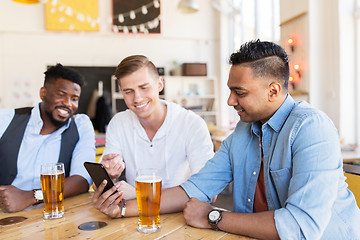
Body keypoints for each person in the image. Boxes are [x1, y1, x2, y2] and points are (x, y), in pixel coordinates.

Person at [92, 40, 360, 239]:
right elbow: (193, 189)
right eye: (230, 91)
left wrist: (214, 216)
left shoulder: (311, 128)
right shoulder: (243, 133)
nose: (230, 101)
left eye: (239, 92)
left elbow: (301, 227)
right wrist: (124, 209)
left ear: (273, 90)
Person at [96, 55, 214, 200]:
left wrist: (140, 195)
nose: (137, 98)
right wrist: (108, 175)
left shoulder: (192, 124)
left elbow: (210, 191)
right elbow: (99, 188)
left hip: (181, 214)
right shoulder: (118, 123)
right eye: (128, 92)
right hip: (138, 215)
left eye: (144, 88)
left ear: (159, 84)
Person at [0, 64, 96, 213]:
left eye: (74, 98)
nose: (68, 103)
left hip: (54, 214)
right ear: (43, 93)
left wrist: (31, 197)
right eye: (61, 94)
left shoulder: (80, 125)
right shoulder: (6, 119)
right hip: (6, 215)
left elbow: (82, 180)